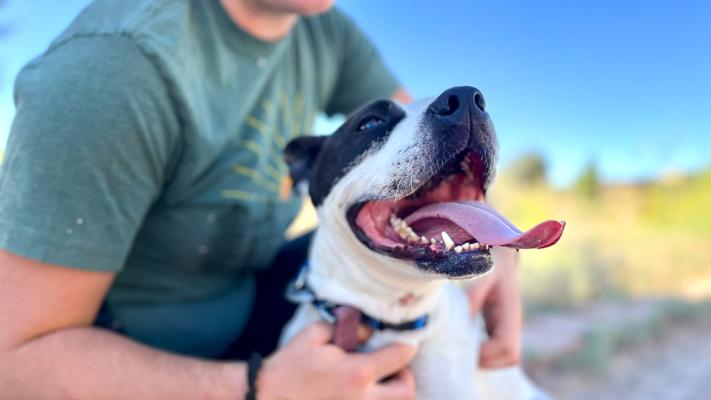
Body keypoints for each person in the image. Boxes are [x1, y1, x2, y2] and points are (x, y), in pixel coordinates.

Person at [0, 0, 522, 398]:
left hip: (258, 296)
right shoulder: (113, 71)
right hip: (154, 361)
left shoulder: (318, 24)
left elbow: (422, 138)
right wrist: (262, 386)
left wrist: (486, 231)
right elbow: (13, 361)